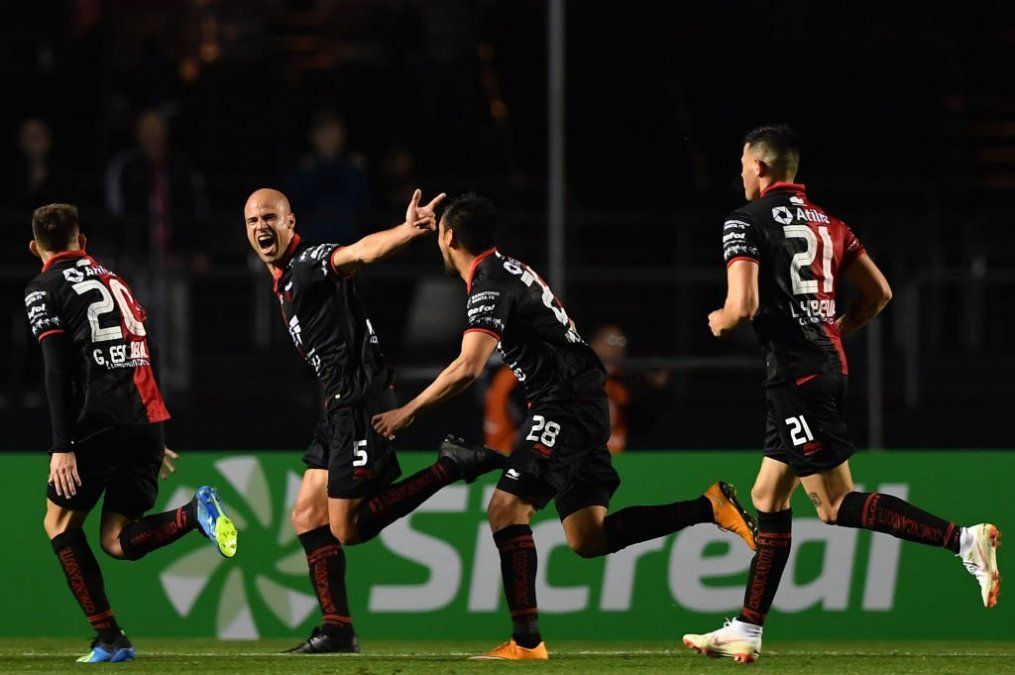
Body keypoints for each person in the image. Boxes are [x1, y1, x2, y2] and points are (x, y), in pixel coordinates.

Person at [371, 193, 758, 660]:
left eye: (438, 236)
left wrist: (407, 412)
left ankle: (526, 642)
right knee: (587, 537)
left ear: (449, 237)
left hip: (565, 404)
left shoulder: (490, 282)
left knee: (505, 510)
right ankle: (709, 506)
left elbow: (469, 367)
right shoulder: (509, 268)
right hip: (583, 400)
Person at [682, 125, 1002, 664]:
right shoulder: (830, 223)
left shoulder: (744, 221)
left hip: (796, 377)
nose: (739, 171)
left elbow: (744, 304)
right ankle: (748, 627)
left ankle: (963, 541)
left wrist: (720, 319)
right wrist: (833, 330)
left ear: (761, 167)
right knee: (767, 496)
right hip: (825, 367)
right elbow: (879, 293)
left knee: (833, 505)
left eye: (742, 162)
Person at [243, 187, 504, 654]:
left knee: (347, 528)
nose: (261, 227)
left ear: (290, 221)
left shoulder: (308, 262)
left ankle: (450, 466)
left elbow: (360, 252)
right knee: (306, 516)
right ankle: (337, 629)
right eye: (252, 221)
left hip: (360, 400)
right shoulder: (283, 278)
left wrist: (407, 231)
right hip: (337, 404)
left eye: (269, 217)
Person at [25, 204, 236, 664]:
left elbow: (57, 367)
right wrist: (148, 425)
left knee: (58, 524)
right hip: (145, 419)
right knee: (115, 540)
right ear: (83, 243)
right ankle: (191, 515)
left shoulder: (43, 287)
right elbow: (140, 347)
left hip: (96, 423)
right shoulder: (115, 279)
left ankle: (110, 639)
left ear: (35, 248)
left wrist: (63, 446)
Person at [286, 110, 368, 245]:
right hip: (313, 239)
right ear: (313, 136)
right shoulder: (304, 169)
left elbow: (363, 203)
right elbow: (296, 204)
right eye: (323, 131)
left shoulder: (355, 166)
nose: (328, 136)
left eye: (333, 130)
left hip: (350, 239)